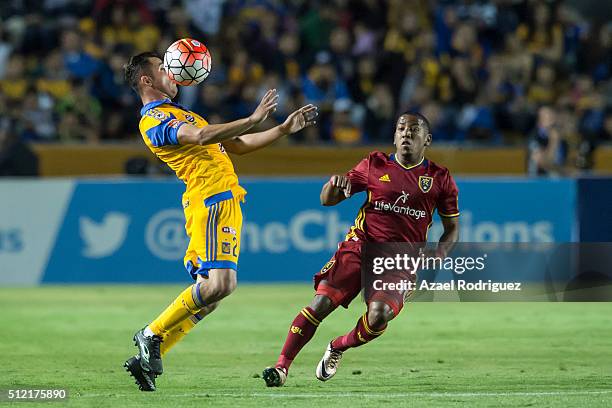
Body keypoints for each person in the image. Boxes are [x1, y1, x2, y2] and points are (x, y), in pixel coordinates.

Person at [121, 51, 318, 391]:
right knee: (222, 284)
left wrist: (282, 129)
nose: (173, 73)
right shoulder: (153, 120)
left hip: (218, 198)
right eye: (163, 68)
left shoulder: (180, 113)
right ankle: (150, 334)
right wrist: (253, 116)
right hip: (211, 198)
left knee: (211, 297)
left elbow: (238, 144)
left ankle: (147, 358)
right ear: (146, 81)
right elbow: (200, 138)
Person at [262, 112, 460, 386]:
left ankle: (338, 346)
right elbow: (326, 200)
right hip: (360, 246)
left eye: (414, 130)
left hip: (400, 260)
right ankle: (281, 367)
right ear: (394, 135)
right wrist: (334, 186)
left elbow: (452, 228)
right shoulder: (374, 164)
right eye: (401, 128)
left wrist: (439, 254)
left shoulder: (439, 178)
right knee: (320, 303)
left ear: (427, 139)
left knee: (379, 316)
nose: (406, 134)